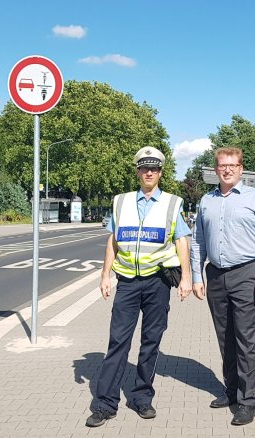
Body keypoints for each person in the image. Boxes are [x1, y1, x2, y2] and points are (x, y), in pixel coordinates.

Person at [86, 146, 193, 427]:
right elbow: (113, 240)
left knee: (150, 343)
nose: (149, 172)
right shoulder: (120, 202)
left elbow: (182, 240)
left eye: (154, 169)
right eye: (145, 168)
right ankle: (105, 404)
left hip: (158, 282)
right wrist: (104, 273)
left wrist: (186, 277)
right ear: (137, 171)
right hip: (128, 283)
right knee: (118, 342)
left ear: (160, 173)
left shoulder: (172, 202)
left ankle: (142, 398)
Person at [190, 146, 255, 426]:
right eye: (222, 165)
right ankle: (230, 391)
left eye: (232, 165)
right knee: (225, 336)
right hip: (215, 275)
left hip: (247, 275)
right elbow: (198, 241)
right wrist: (196, 275)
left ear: (241, 168)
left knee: (247, 340)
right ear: (215, 170)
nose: (227, 169)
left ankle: (247, 400)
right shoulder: (207, 201)